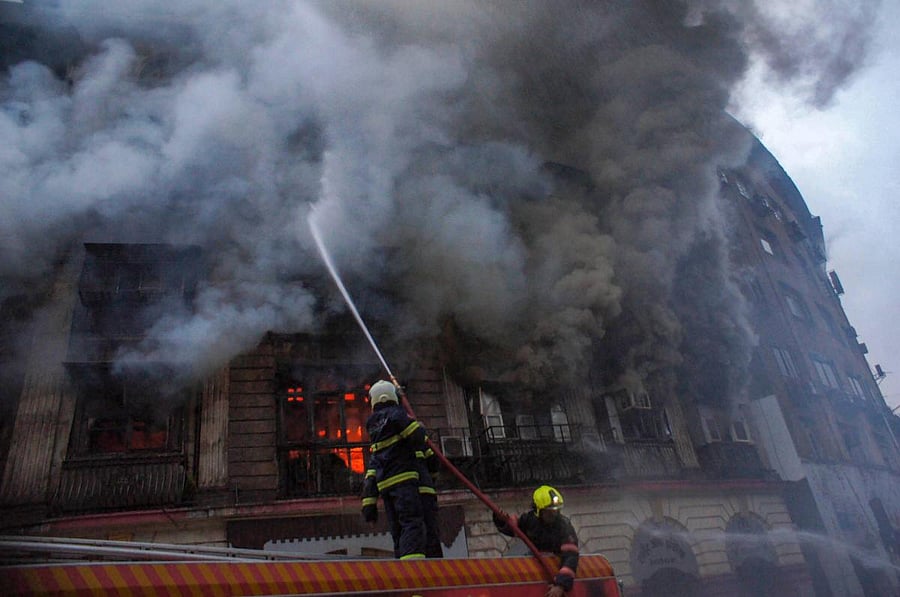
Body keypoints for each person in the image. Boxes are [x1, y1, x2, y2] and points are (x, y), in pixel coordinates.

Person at [360, 380, 428, 560]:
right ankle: (413, 568)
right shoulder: (398, 414)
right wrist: (419, 427)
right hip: (403, 479)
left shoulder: (372, 424)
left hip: (385, 486)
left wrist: (369, 507)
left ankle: (401, 563)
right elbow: (417, 437)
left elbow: (372, 468)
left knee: (397, 529)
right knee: (412, 523)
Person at [493, 485, 580, 597]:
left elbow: (571, 556)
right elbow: (512, 528)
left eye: (556, 510)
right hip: (535, 568)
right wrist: (500, 520)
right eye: (549, 511)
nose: (554, 514)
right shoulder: (529, 520)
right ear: (538, 510)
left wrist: (560, 585)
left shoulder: (564, 526)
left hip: (556, 571)